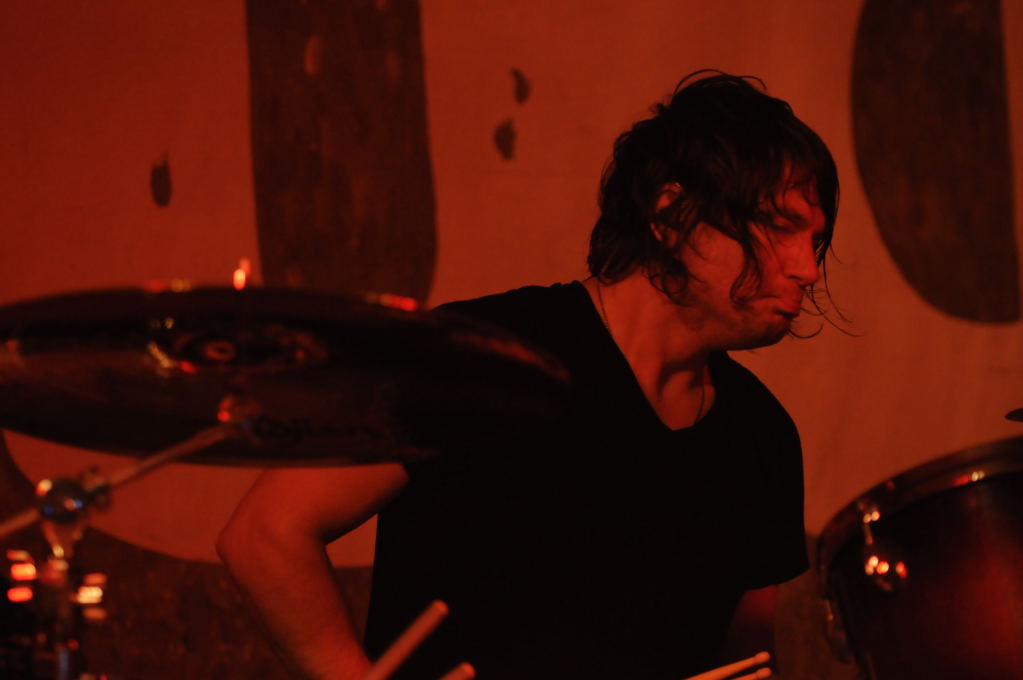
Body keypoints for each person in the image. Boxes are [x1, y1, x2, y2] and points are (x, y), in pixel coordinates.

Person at [217, 70, 839, 680]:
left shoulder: (762, 438)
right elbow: (267, 533)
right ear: (672, 213)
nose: (808, 270)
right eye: (781, 227)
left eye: (814, 241)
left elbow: (746, 661)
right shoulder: (478, 358)